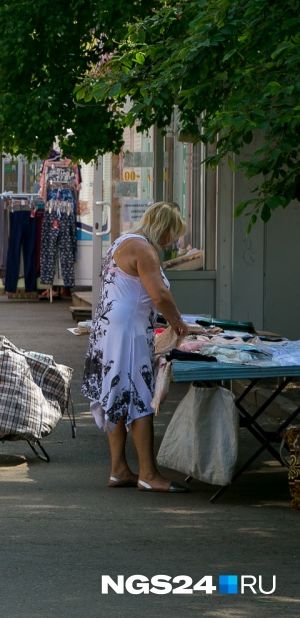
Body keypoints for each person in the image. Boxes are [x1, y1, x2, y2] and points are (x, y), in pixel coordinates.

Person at [81, 202, 190, 493]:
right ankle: (148, 474)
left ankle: (119, 469)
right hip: (127, 333)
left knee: (115, 395)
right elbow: (159, 294)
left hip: (109, 329)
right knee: (140, 396)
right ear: (163, 228)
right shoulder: (144, 249)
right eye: (172, 235)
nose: (171, 242)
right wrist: (177, 323)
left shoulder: (122, 241)